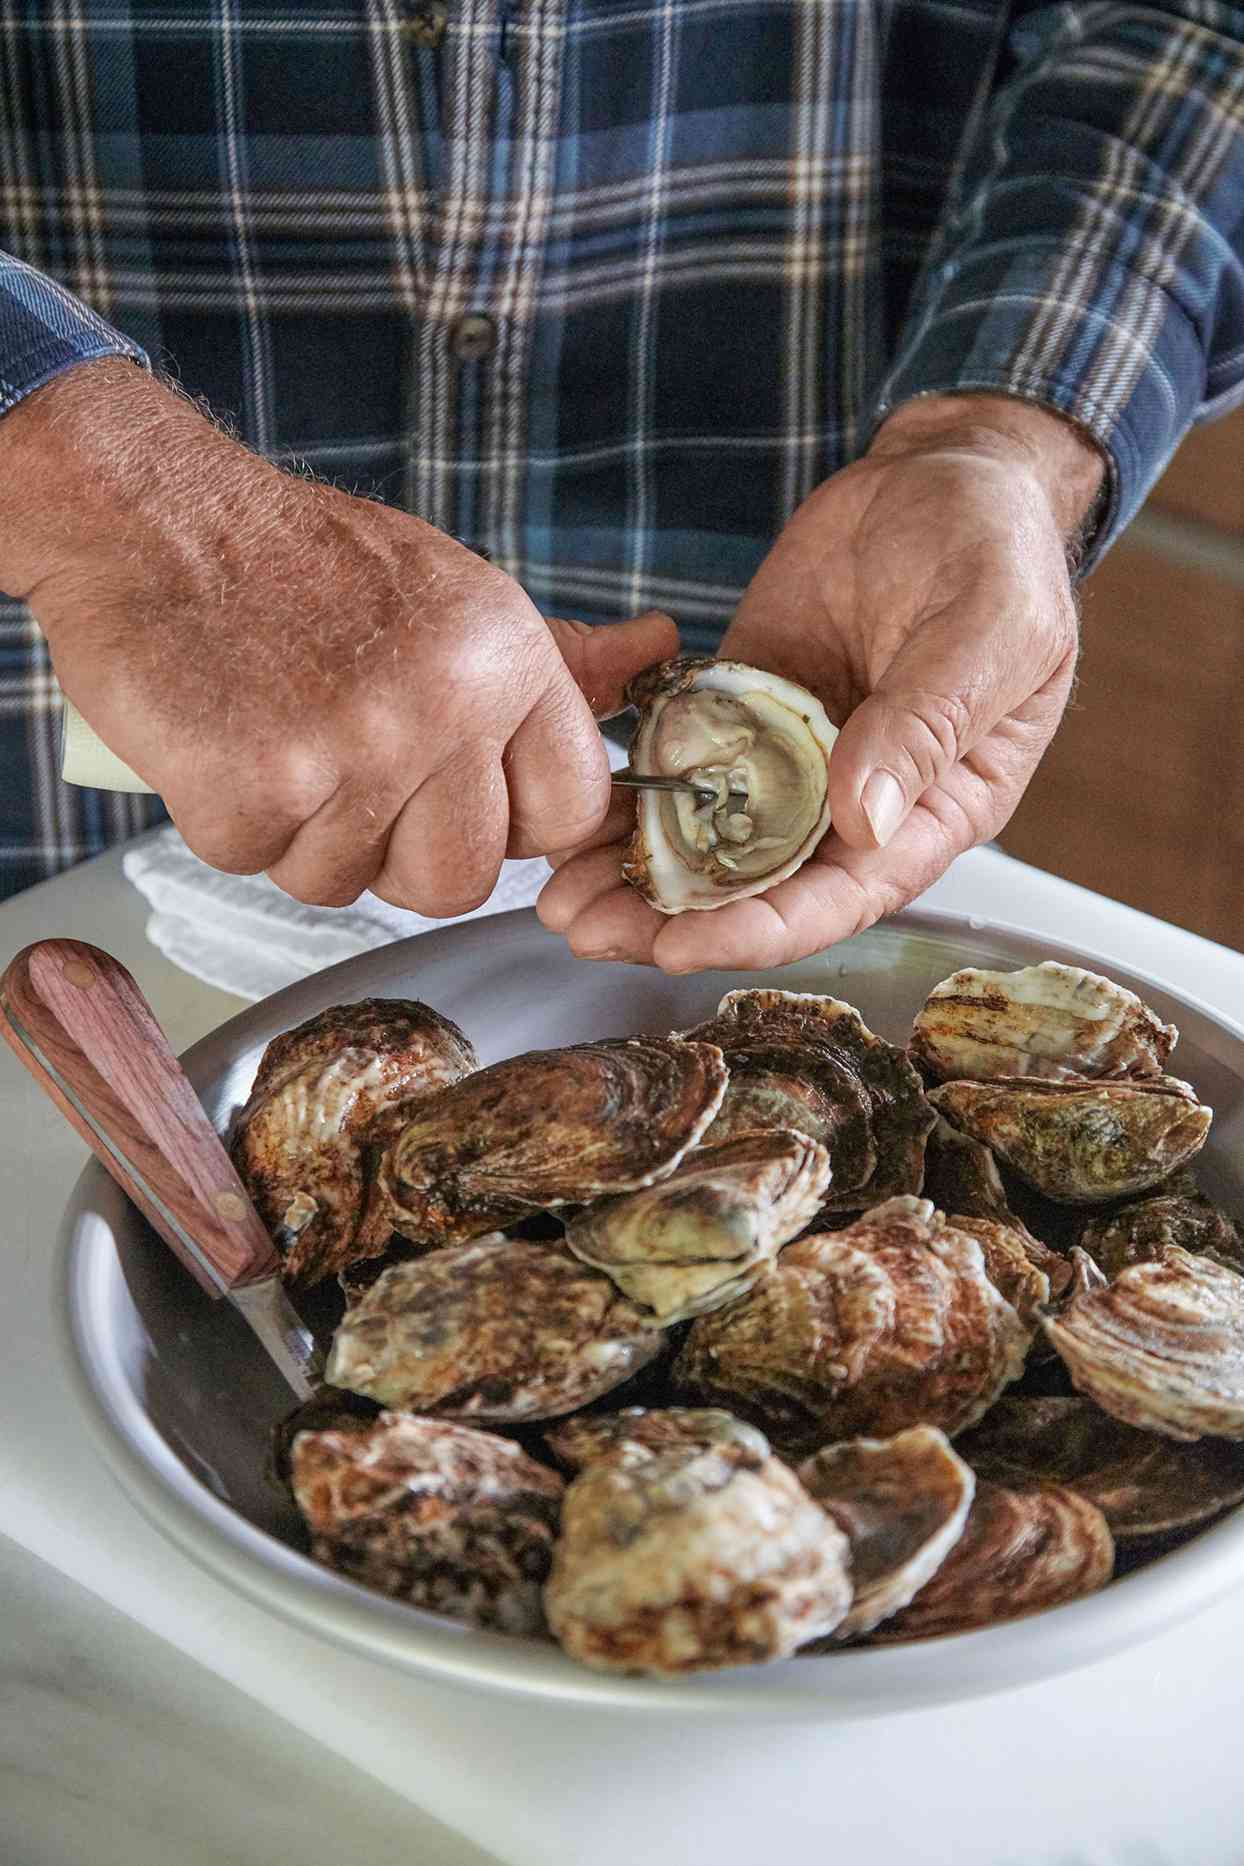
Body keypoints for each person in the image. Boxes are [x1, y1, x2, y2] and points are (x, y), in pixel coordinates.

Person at [0, 3, 1240, 976]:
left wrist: (992, 434)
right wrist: (121, 507)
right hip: (40, 819)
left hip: (834, 730)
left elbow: (1186, 26)